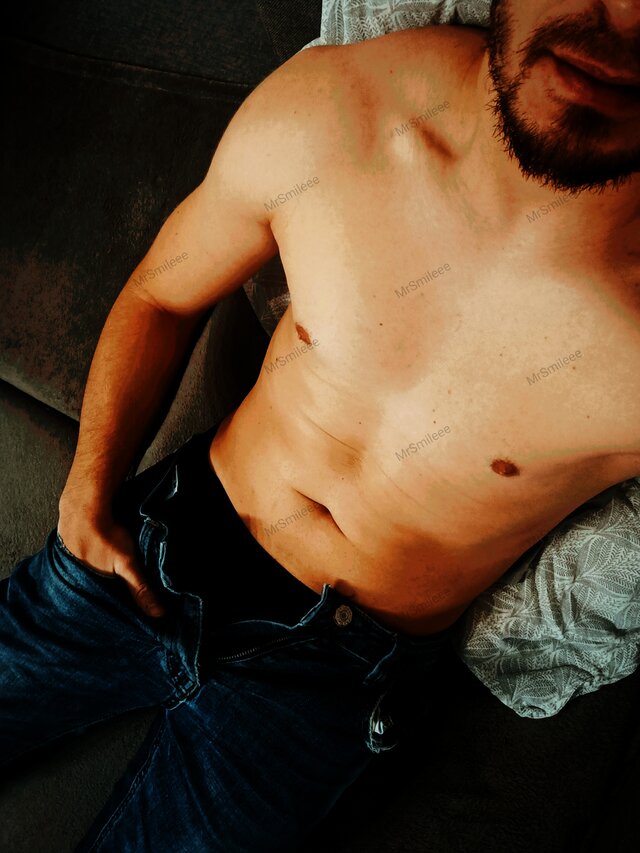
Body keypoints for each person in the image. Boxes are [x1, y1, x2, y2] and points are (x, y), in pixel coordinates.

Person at [2, 0, 639, 850]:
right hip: (154, 540)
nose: (623, 15)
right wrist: (88, 487)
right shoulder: (336, 111)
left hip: (336, 669)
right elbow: (163, 292)